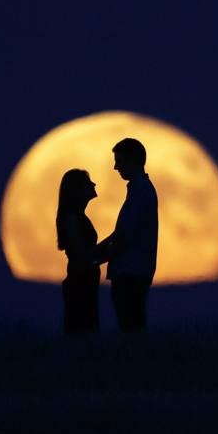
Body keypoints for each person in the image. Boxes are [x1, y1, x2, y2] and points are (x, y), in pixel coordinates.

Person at [94, 138, 158, 332]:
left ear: (132, 160)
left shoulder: (141, 191)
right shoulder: (139, 190)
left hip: (132, 272)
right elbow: (120, 233)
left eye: (119, 161)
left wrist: (94, 259)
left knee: (130, 327)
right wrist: (95, 252)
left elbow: (125, 237)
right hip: (132, 271)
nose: (115, 167)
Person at [56, 168, 100, 334]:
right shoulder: (74, 218)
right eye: (88, 183)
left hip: (84, 281)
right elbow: (81, 254)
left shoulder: (78, 216)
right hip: (80, 282)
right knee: (82, 331)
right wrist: (109, 250)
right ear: (78, 190)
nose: (94, 184)